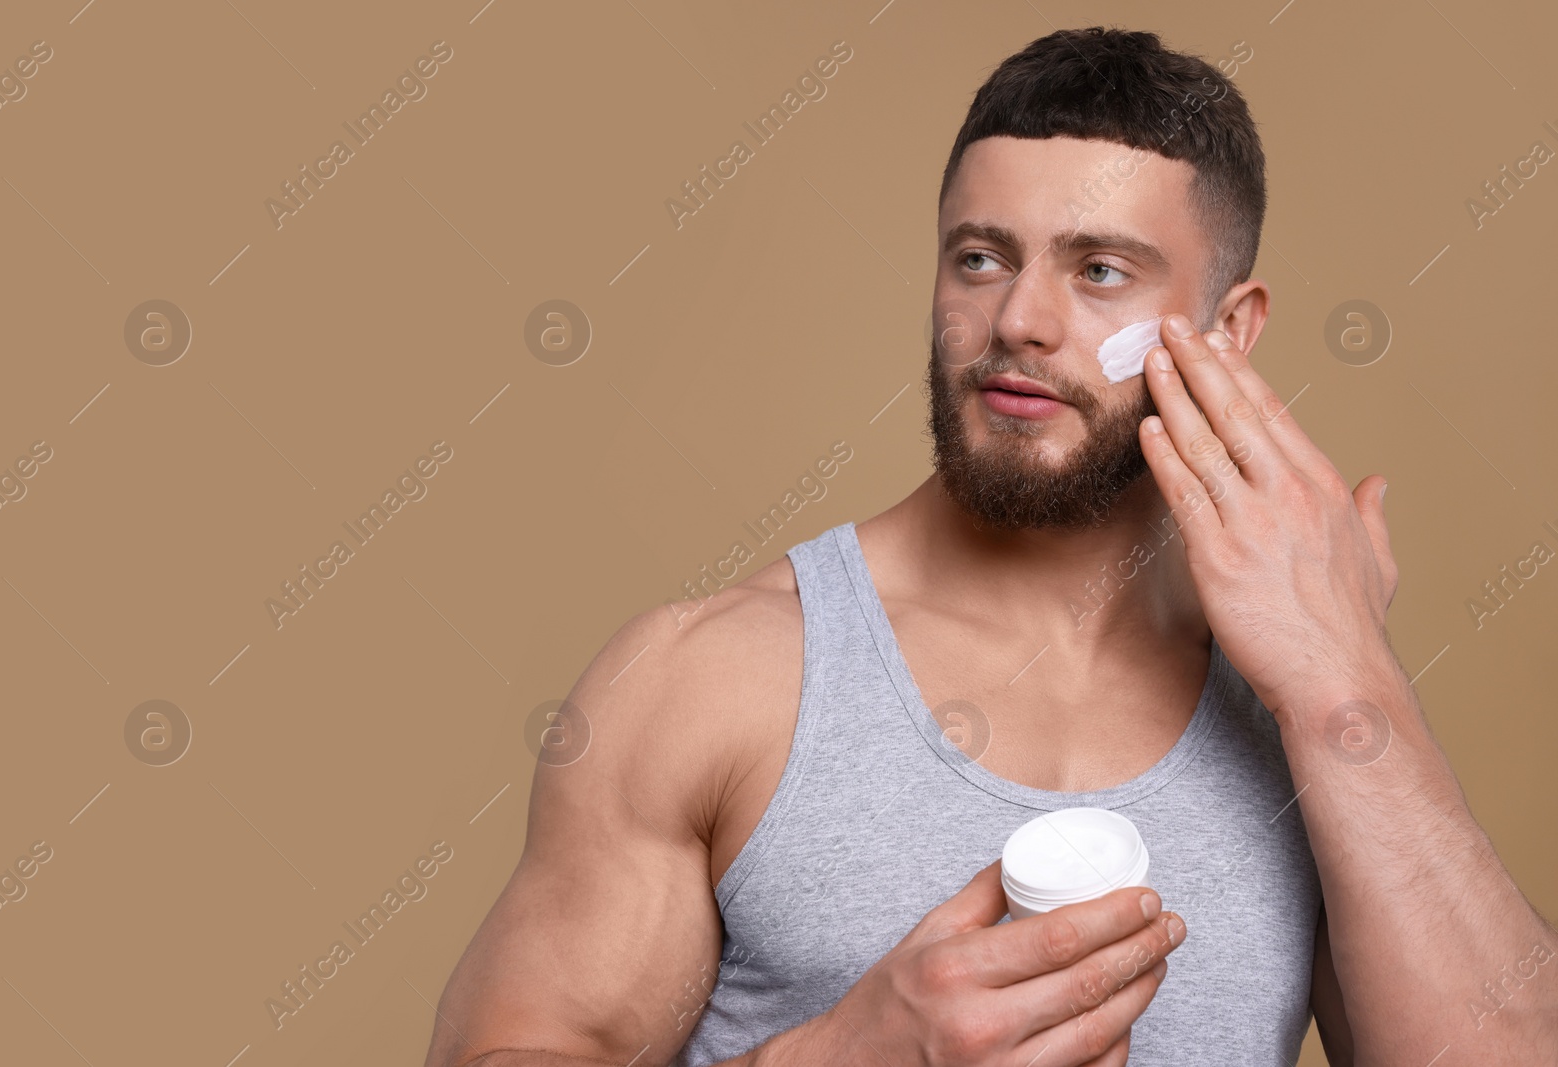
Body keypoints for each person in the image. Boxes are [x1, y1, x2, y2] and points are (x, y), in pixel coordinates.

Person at [423, 27, 1557, 1067]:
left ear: (1226, 333)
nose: (1019, 316)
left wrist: (1344, 678)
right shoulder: (710, 679)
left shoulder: (1305, 715)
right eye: (978, 257)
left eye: (1098, 270)